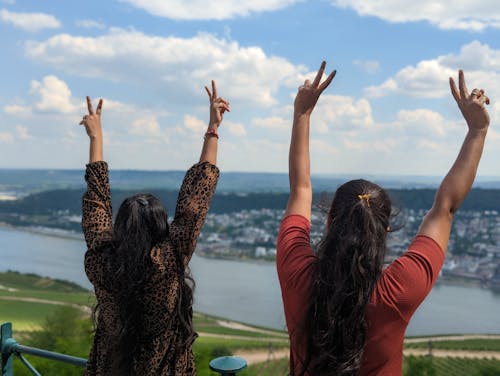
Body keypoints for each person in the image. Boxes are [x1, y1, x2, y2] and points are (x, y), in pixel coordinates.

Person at [276, 62, 490, 375]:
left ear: (329, 223)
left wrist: (302, 114)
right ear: (385, 231)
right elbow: (444, 208)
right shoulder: (397, 291)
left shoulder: (298, 274)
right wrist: (477, 131)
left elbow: (300, 190)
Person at [80, 81, 230, 375]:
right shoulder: (168, 259)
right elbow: (195, 202)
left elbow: (95, 202)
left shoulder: (102, 260)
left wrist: (95, 136)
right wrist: (213, 128)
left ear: (120, 226)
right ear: (162, 228)